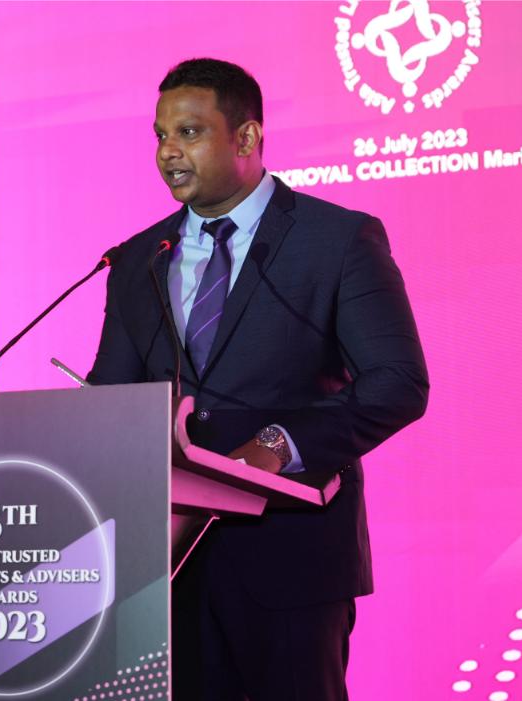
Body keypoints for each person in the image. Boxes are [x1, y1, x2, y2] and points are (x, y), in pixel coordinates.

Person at [87, 58, 429, 700]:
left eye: (189, 132)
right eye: (160, 136)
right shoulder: (137, 259)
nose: (167, 152)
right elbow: (111, 400)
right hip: (168, 564)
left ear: (246, 137)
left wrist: (278, 445)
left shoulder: (337, 239)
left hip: (291, 556)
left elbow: (397, 382)